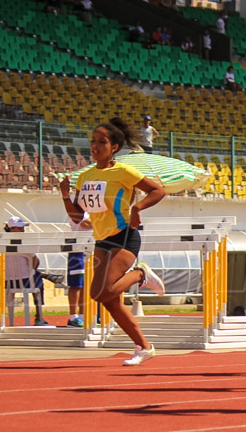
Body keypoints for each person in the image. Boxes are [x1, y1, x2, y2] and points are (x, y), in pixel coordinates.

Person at [59, 117, 167, 366]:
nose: (95, 146)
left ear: (114, 147)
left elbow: (158, 191)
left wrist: (138, 208)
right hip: (102, 239)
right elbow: (77, 216)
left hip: (124, 235)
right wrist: (66, 196)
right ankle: (145, 347)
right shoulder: (85, 176)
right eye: (93, 141)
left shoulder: (123, 171)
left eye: (102, 142)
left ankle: (141, 274)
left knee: (100, 292)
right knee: (110, 301)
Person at [66, 211, 92, 327]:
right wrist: (103, 222)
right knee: (76, 284)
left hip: (90, 247)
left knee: (86, 284)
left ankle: (82, 315)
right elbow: (85, 223)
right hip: (77, 248)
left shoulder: (92, 209)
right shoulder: (76, 208)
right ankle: (73, 316)